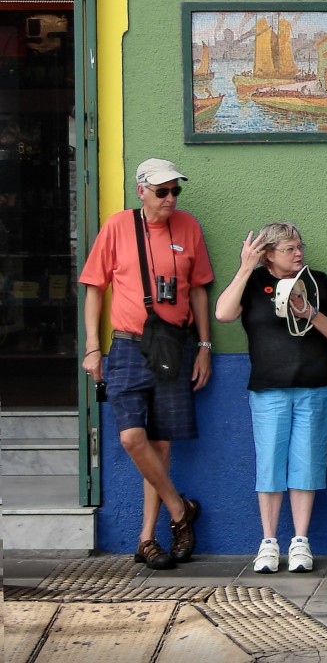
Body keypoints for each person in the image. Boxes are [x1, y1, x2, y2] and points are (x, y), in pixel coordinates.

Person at [79, 158, 214, 570]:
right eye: (162, 191)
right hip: (126, 345)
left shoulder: (188, 227)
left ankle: (146, 540)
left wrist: (205, 346)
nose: (170, 197)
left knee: (160, 444)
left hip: (174, 346)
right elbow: (94, 288)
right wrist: (91, 346)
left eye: (175, 190)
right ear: (141, 191)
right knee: (131, 438)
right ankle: (179, 510)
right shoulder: (118, 226)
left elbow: (198, 292)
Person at [214, 222, 327, 574]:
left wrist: (310, 313)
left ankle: (301, 541)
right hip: (268, 389)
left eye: (299, 246)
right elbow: (224, 314)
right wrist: (245, 267)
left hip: (314, 387)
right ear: (269, 254)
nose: (299, 253)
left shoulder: (317, 281)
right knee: (270, 464)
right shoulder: (254, 283)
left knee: (307, 463)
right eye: (290, 249)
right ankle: (269, 542)